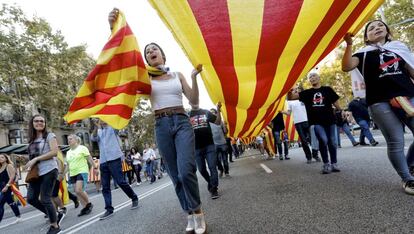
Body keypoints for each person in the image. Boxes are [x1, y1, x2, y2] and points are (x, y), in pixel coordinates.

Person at [109, 9, 207, 234]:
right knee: (174, 175)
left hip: (181, 121)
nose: (150, 51)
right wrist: (113, 27)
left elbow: (193, 101)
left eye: (154, 49)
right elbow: (122, 60)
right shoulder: (145, 77)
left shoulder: (177, 75)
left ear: (162, 55)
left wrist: (193, 77)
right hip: (161, 125)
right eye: (147, 51)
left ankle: (199, 211)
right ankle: (189, 213)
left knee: (186, 171)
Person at [342, 19, 414, 194]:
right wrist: (349, 45)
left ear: (387, 30)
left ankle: (410, 164)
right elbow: (346, 66)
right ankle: (407, 179)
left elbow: (411, 70)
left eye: (380, 25)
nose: (377, 28)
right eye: (372, 28)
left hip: (408, 97)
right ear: (366, 37)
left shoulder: (399, 47)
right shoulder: (363, 53)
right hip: (380, 102)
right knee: (396, 141)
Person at [18, 114, 61, 234]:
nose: (39, 123)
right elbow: (33, 158)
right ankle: (53, 214)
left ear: (45, 123)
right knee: (31, 198)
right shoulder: (31, 140)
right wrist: (26, 160)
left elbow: (54, 152)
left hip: (49, 170)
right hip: (36, 173)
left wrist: (36, 159)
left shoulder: (49, 135)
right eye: (36, 121)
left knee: (45, 198)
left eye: (42, 121)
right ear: (32, 123)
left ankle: (55, 225)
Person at [91, 119, 139, 220]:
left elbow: (118, 123)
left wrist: (111, 119)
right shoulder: (99, 131)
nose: (102, 120)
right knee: (105, 187)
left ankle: (134, 198)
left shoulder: (112, 128)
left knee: (121, 182)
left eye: (104, 118)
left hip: (114, 159)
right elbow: (93, 138)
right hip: (103, 161)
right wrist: (96, 126)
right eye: (100, 119)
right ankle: (109, 209)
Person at [299, 73, 342, 174]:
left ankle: (334, 163)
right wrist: (289, 88)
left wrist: (342, 110)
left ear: (319, 78)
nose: (312, 78)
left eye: (314, 76)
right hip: (316, 121)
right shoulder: (307, 93)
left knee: (333, 142)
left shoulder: (327, 89)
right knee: (323, 140)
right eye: (310, 77)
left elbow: (335, 102)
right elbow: (292, 97)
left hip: (330, 120)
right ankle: (326, 164)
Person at [189, 102, 223, 199]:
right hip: (196, 148)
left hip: (209, 145)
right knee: (202, 170)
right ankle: (210, 183)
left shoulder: (206, 112)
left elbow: (218, 122)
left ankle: (214, 189)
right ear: (189, 102)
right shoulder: (187, 115)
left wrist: (218, 110)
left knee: (212, 167)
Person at [282, 85, 321, 163]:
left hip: (307, 121)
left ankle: (315, 155)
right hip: (298, 123)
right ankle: (309, 157)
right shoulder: (290, 101)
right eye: (294, 90)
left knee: (312, 139)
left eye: (297, 89)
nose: (296, 90)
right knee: (303, 141)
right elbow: (289, 113)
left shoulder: (304, 98)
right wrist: (282, 111)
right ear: (291, 92)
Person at [66, 134, 95, 217]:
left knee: (78, 190)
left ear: (76, 140)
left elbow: (89, 158)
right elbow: (67, 165)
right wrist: (62, 174)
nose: (69, 140)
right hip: (72, 173)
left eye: (70, 139)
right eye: (68, 139)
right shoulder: (68, 152)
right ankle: (85, 208)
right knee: (77, 192)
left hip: (82, 171)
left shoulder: (82, 148)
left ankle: (89, 204)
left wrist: (95, 168)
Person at [0, 154, 21, 224]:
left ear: (6, 159)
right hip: (1, 188)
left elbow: (12, 176)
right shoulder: (0, 167)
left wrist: (7, 186)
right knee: (10, 202)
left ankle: (18, 217)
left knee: (1, 203)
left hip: (7, 187)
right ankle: (18, 216)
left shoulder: (9, 166)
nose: (0, 158)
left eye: (2, 157)